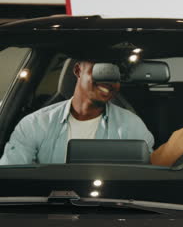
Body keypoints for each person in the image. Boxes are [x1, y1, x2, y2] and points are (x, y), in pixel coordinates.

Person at [0, 61, 154, 165]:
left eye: (116, 74)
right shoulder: (35, 124)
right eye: (102, 71)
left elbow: (146, 178)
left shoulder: (131, 126)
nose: (109, 81)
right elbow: (11, 177)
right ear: (78, 70)